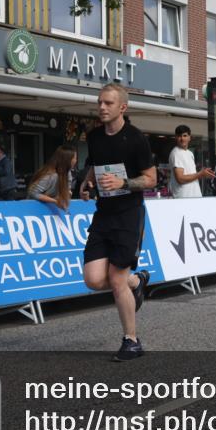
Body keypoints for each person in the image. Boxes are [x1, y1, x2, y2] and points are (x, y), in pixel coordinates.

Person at [79, 84, 154, 362]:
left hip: (128, 215)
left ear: (122, 107)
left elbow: (151, 179)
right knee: (93, 279)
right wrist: (87, 182)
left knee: (116, 279)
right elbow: (94, 164)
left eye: (108, 103)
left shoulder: (136, 139)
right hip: (103, 214)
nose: (102, 107)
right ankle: (138, 281)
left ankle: (131, 341)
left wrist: (124, 182)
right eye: (100, 102)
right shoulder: (95, 136)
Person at [168, 125, 214, 198]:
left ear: (189, 137)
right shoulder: (176, 153)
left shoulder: (190, 153)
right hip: (183, 198)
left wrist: (203, 173)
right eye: (179, 136)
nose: (182, 138)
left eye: (185, 135)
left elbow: (191, 175)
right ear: (176, 138)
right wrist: (200, 174)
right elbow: (180, 179)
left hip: (194, 196)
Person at [27, 146, 77, 210]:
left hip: (51, 208)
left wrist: (67, 194)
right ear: (67, 159)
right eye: (74, 158)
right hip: (35, 208)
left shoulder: (68, 173)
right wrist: (55, 201)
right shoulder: (50, 175)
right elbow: (33, 193)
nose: (76, 160)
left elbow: (67, 191)